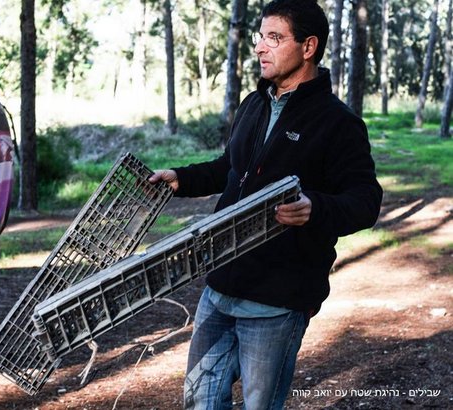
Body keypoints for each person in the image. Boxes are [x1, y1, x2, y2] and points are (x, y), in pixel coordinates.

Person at [148, 0, 383, 408]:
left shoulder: (338, 123)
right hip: (219, 287)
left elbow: (365, 201)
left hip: (277, 301)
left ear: (308, 47)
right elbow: (230, 168)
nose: (260, 47)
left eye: (274, 38)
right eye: (261, 36)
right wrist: (181, 178)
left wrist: (314, 208)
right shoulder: (253, 105)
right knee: (201, 401)